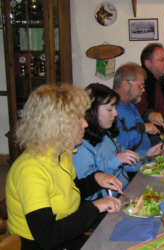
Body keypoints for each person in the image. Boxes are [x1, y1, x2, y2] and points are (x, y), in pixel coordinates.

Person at [5, 84, 123, 250]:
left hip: (66, 237)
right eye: (78, 119)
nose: (85, 124)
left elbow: (70, 193)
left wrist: (95, 179)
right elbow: (48, 237)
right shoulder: (31, 171)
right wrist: (96, 206)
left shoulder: (62, 154)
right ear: (57, 126)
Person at [73, 83, 163, 200]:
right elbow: (89, 188)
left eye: (115, 108)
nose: (115, 113)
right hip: (109, 202)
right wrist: (116, 160)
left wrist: (147, 155)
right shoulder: (81, 145)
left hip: (125, 190)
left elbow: (124, 164)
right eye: (110, 109)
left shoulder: (107, 133)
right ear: (92, 110)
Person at [113, 62, 161, 151]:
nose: (143, 90)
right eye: (140, 86)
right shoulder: (112, 110)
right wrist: (143, 128)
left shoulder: (131, 105)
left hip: (146, 157)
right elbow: (120, 144)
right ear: (126, 85)